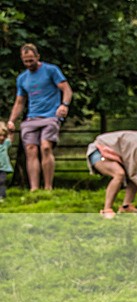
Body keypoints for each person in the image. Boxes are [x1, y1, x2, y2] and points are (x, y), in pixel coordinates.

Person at [6, 43, 73, 191]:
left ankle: (48, 187)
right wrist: (11, 121)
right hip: (31, 118)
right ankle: (34, 189)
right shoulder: (22, 78)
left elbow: (66, 89)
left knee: (46, 147)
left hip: (50, 116)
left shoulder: (51, 70)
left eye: (31, 60)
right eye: (26, 61)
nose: (29, 64)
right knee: (30, 149)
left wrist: (64, 105)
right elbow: (19, 102)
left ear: (38, 57)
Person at [86, 130, 137, 219]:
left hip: (112, 153)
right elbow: (132, 173)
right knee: (119, 174)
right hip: (99, 151)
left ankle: (126, 206)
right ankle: (107, 209)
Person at [0, 124, 13, 201]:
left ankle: (2, 196)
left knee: (2, 181)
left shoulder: (5, 143)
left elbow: (10, 139)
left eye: (4, 136)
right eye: (0, 135)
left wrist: (11, 132)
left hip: (3, 168)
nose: (2, 138)